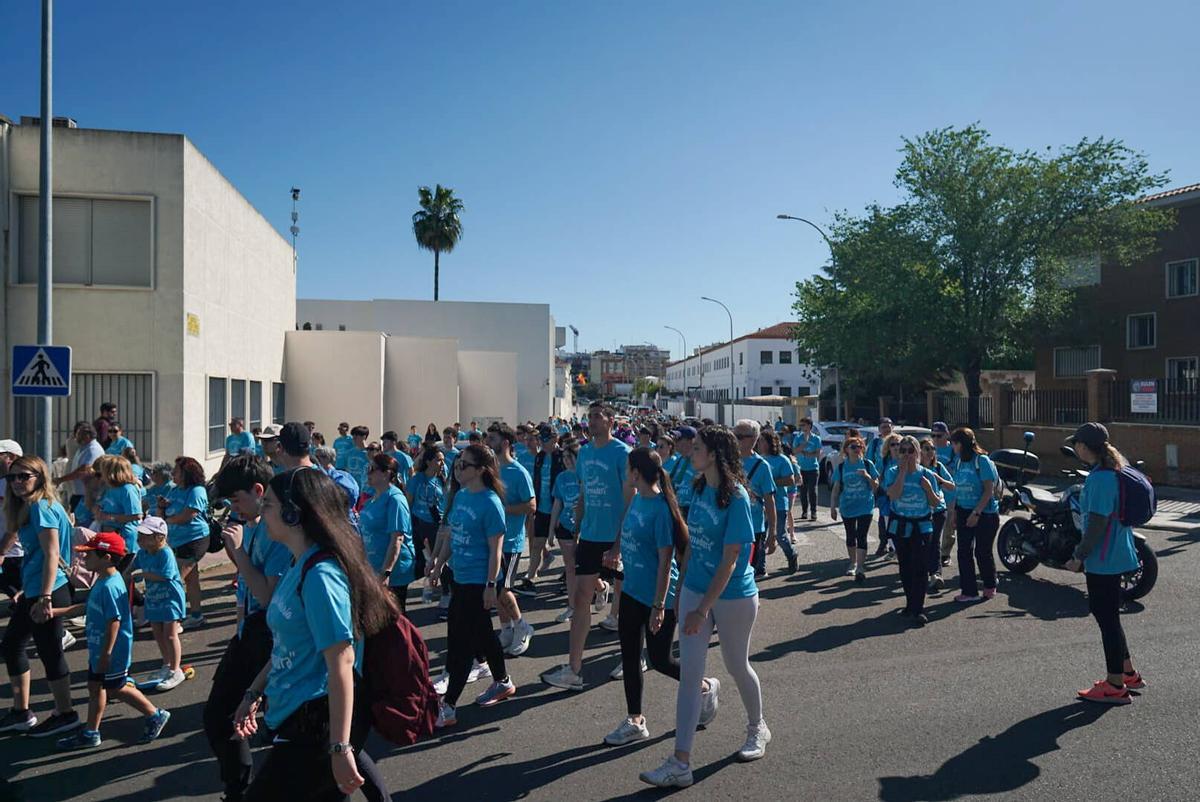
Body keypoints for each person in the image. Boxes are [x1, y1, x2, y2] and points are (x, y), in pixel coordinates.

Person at [233, 468, 397, 800]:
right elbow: (287, 645)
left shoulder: (321, 575)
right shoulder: (299, 563)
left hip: (314, 722)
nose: (261, 512)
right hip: (294, 713)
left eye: (269, 505)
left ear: (294, 513)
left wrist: (339, 747)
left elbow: (342, 663)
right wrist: (253, 692)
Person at [639, 426, 766, 788]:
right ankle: (680, 763)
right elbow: (692, 545)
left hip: (733, 596)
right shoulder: (697, 488)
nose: (688, 451)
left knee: (736, 664)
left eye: (696, 447)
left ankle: (758, 727)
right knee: (691, 677)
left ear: (713, 454)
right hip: (695, 590)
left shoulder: (737, 497)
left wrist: (701, 609)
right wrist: (681, 593)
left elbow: (730, 560)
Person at [604, 447, 714, 746]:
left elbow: (666, 562)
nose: (626, 474)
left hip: (656, 597)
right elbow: (628, 535)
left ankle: (704, 686)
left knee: (660, 660)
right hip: (631, 591)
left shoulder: (662, 509)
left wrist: (659, 606)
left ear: (636, 473)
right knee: (629, 656)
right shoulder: (637, 499)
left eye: (628, 469)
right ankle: (635, 720)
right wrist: (615, 552)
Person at [207, 455, 293, 801]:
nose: (233, 509)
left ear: (259, 491)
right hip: (248, 632)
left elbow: (269, 596)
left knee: (283, 730)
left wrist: (239, 554)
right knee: (218, 715)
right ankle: (238, 786)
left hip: (271, 634)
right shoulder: (254, 523)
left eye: (237, 500)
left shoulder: (276, 533)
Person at [45, 531, 171, 750]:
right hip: (99, 649)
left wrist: (106, 655)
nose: (84, 559)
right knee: (95, 687)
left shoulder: (111, 586)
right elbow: (88, 607)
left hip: (111, 652)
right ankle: (91, 733)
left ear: (106, 558)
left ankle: (155, 714)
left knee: (116, 688)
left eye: (89, 555)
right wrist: (56, 612)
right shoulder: (102, 582)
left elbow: (114, 621)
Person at [426, 444, 518, 728]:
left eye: (464, 465)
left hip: (479, 582)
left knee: (460, 642)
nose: (457, 468)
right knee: (482, 635)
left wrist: (491, 586)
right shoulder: (462, 496)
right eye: (457, 463)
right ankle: (502, 681)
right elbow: (453, 536)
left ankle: (449, 706)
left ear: (480, 470)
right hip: (460, 577)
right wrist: (439, 564)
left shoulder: (490, 503)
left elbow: (496, 551)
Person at [543, 401, 632, 691]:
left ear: (610, 420)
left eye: (597, 417)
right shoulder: (585, 453)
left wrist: (619, 542)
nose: (591, 421)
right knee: (581, 599)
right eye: (589, 417)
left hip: (617, 535)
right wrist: (578, 527)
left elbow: (630, 500)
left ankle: (632, 658)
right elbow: (583, 493)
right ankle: (574, 669)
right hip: (591, 535)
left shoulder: (622, 453)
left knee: (629, 602)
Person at [1062, 423, 1146, 705]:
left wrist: (1078, 557)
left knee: (1106, 618)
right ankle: (1127, 672)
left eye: (1077, 444)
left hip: (1103, 559)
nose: (1075, 448)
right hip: (1119, 553)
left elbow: (1096, 525)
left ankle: (1114, 684)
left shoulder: (1099, 480)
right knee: (1111, 616)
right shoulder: (1115, 470)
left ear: (1085, 447)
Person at [0, 456, 80, 737]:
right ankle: (21, 712)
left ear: (40, 477)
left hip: (48, 591)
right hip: (36, 588)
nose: (18, 482)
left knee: (50, 652)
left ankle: (66, 713)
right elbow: (37, 557)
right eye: (13, 477)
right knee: (12, 645)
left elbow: (51, 554)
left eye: (25, 476)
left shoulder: (41, 508)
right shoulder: (30, 507)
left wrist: (44, 597)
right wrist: (27, 588)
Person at [487, 425, 536, 657]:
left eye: (493, 438)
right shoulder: (490, 470)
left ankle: (522, 626)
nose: (489, 441)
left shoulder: (519, 472)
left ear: (506, 442)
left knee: (503, 589)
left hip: (511, 542)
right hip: (491, 541)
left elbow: (531, 505)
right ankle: (506, 629)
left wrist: (504, 509)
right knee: (496, 590)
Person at [883, 436, 942, 626]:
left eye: (911, 451)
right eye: (903, 451)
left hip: (922, 526)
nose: (907, 454)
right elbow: (893, 495)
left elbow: (935, 503)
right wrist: (901, 473)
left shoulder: (927, 475)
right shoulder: (892, 472)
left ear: (918, 452)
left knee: (920, 567)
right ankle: (909, 604)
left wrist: (927, 489)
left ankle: (918, 609)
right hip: (901, 525)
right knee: (905, 566)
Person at [130, 517, 189, 689]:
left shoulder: (165, 553)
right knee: (158, 633)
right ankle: (166, 664)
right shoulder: (142, 553)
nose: (139, 539)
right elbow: (130, 569)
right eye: (139, 535)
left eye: (144, 536)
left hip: (170, 599)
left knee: (170, 635)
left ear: (159, 537)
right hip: (154, 600)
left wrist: (141, 574)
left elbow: (165, 575)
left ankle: (175, 670)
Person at [950, 427, 1000, 602]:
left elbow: (988, 491)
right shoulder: (958, 462)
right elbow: (957, 489)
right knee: (963, 552)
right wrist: (956, 513)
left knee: (982, 551)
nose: (952, 446)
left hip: (985, 513)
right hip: (963, 510)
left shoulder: (982, 461)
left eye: (954, 443)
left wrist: (976, 513)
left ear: (961, 444)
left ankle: (990, 584)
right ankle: (969, 591)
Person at [360, 454, 415, 614]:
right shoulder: (372, 498)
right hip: (373, 566)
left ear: (386, 473)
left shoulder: (395, 499)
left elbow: (397, 538)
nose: (367, 473)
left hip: (392, 572)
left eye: (371, 469)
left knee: (392, 620)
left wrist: (386, 572)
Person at [159, 457, 209, 627]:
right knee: (191, 579)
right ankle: (196, 615)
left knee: (174, 579)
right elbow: (163, 515)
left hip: (194, 540)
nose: (173, 473)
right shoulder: (173, 491)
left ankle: (174, 619)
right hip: (176, 541)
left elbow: (188, 515)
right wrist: (161, 508)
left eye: (177, 471)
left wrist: (168, 520)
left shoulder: (197, 491)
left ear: (186, 474)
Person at [829, 435, 877, 581]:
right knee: (851, 535)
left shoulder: (868, 464)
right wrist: (832, 506)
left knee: (862, 535)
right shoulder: (842, 467)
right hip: (847, 506)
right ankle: (853, 562)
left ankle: (860, 567)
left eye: (860, 446)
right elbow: (836, 488)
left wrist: (868, 476)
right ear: (846, 450)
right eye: (853, 447)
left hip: (865, 505)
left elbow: (875, 487)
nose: (857, 449)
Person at [522, 424, 563, 593]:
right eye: (540, 439)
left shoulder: (562, 457)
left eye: (544, 439)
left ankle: (570, 575)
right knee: (537, 543)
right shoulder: (539, 457)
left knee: (567, 545)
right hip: (542, 508)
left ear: (555, 439)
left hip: (559, 509)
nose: (542, 442)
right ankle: (530, 576)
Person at [734, 421, 778, 579]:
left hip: (753, 529)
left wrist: (772, 533)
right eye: (734, 435)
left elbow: (770, 501)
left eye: (739, 436)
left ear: (753, 439)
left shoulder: (762, 465)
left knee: (748, 573)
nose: (734, 439)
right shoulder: (727, 461)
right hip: (728, 525)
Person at [755, 428, 798, 574]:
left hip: (778, 504)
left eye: (762, 441)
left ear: (770, 443)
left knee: (779, 535)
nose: (759, 443)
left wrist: (769, 482)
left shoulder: (782, 459)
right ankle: (760, 567)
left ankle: (791, 555)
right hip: (760, 506)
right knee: (760, 536)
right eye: (758, 440)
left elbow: (791, 480)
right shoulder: (758, 459)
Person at [548, 436, 582, 623]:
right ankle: (571, 606)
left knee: (585, 569)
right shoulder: (561, 478)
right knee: (570, 568)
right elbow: (557, 504)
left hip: (584, 529)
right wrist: (551, 529)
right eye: (565, 458)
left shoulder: (585, 477)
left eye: (570, 458)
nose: (567, 461)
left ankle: (600, 588)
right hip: (565, 527)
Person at [407, 446, 447, 604]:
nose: (442, 463)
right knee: (425, 558)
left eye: (443, 460)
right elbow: (408, 502)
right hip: (419, 523)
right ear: (429, 461)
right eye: (438, 459)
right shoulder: (418, 479)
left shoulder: (442, 480)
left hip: (437, 524)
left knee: (439, 558)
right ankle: (429, 586)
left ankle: (441, 589)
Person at [919, 437, 956, 593]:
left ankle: (936, 575)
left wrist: (939, 479)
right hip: (920, 512)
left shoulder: (939, 467)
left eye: (932, 449)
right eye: (926, 448)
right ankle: (921, 572)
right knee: (921, 543)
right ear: (919, 451)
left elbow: (952, 486)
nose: (930, 452)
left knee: (934, 542)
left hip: (938, 510)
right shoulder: (914, 468)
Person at [91, 455, 143, 560]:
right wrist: (97, 509)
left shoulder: (127, 490)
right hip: (109, 536)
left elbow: (136, 515)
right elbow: (101, 504)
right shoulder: (110, 487)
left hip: (124, 539)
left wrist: (111, 517)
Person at [0, 440, 27, 602]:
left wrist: (2, 551)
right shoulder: (4, 482)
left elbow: (17, 522)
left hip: (16, 553)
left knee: (23, 596)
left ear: (11, 457)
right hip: (6, 553)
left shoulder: (17, 485)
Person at [931, 422, 959, 567]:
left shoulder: (953, 450)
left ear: (946, 434)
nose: (935, 438)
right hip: (932, 492)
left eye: (939, 435)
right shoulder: (929, 448)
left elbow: (956, 469)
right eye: (933, 435)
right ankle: (931, 553)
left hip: (949, 493)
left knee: (949, 526)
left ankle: (945, 554)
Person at [60, 422, 104, 511]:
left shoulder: (93, 450)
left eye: (79, 434)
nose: (76, 437)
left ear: (87, 435)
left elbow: (84, 470)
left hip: (86, 496)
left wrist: (61, 480)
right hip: (79, 494)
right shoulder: (84, 447)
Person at [791, 418, 821, 521]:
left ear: (809, 426)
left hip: (813, 468)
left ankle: (813, 512)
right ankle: (804, 511)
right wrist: (803, 445)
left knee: (812, 490)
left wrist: (806, 453)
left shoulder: (816, 439)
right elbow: (794, 451)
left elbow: (817, 454)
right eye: (801, 425)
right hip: (801, 469)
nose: (801, 427)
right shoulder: (798, 438)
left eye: (803, 425)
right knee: (803, 491)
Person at [336, 426, 371, 505]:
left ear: (364, 437)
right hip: (352, 489)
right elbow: (344, 469)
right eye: (353, 436)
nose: (353, 438)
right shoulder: (349, 453)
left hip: (365, 491)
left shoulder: (370, 452)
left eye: (356, 436)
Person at [669, 426, 697, 520]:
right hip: (677, 509)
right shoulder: (679, 460)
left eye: (679, 439)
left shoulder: (700, 462)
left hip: (692, 510)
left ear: (691, 441)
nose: (675, 442)